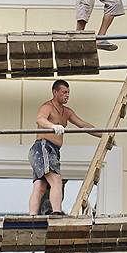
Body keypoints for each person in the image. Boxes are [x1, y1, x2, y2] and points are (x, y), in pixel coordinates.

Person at [28, 80, 103, 216]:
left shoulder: (66, 112)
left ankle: (32, 215)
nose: (67, 95)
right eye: (64, 92)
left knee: (41, 186)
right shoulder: (48, 107)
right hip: (43, 147)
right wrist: (52, 126)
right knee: (56, 180)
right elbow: (40, 119)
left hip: (53, 151)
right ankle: (56, 212)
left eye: (68, 92)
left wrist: (104, 135)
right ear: (55, 92)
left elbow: (83, 125)